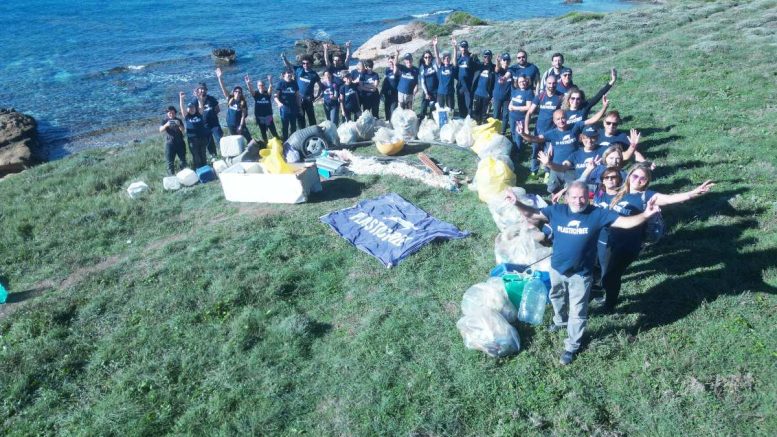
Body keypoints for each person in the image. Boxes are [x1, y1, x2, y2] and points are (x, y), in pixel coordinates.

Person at [506, 181, 661, 365]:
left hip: (581, 273)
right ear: (566, 197)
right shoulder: (557, 211)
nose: (578, 201)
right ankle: (560, 321)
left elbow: (625, 222)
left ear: (588, 197)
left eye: (582, 197)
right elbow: (532, 214)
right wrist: (517, 203)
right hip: (557, 268)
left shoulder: (598, 214)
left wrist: (646, 214)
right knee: (556, 296)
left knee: (578, 310)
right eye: (574, 197)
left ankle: (572, 346)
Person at [593, 165, 715, 312]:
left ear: (647, 181)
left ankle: (609, 305)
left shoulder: (646, 196)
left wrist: (693, 193)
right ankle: (605, 296)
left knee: (612, 275)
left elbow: (670, 199)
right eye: (635, 176)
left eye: (642, 178)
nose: (638, 180)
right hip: (608, 241)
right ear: (629, 176)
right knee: (605, 272)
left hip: (628, 246)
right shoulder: (620, 191)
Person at [522, 100, 609, 194]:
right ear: (554, 121)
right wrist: (522, 133)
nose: (561, 121)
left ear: (566, 118)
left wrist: (604, 107)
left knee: (573, 191)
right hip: (556, 168)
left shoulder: (575, 126)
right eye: (558, 119)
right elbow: (535, 139)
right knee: (552, 190)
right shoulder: (552, 133)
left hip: (571, 168)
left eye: (563, 118)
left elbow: (592, 120)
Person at [523, 75, 564, 178]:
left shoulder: (560, 97)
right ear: (545, 83)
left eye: (554, 83)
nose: (551, 85)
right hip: (538, 130)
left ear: (557, 83)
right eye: (549, 83)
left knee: (549, 153)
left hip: (552, 131)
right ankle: (534, 171)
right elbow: (529, 112)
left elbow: (563, 113)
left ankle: (547, 172)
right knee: (536, 151)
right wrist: (526, 128)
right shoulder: (540, 96)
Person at [282, 53, 321, 128]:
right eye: (303, 63)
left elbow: (320, 86)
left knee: (311, 118)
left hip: (308, 100)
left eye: (307, 63)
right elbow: (289, 65)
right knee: (300, 118)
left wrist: (317, 96)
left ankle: (315, 132)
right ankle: (303, 132)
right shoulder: (299, 69)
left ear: (310, 63)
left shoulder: (314, 74)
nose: (305, 65)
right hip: (298, 99)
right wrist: (284, 58)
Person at [215, 67, 252, 141]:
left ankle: (253, 147)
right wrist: (219, 78)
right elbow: (223, 88)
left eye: (239, 92)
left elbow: (243, 116)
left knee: (249, 138)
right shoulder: (230, 99)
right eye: (236, 91)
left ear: (241, 94)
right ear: (233, 92)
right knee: (236, 141)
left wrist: (240, 126)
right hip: (230, 124)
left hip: (239, 124)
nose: (237, 93)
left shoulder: (242, 102)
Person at [191, 82, 222, 161]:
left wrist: (212, 115)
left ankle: (224, 153)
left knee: (219, 138)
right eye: (200, 89)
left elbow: (217, 109)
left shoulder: (211, 99)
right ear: (198, 90)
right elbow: (192, 112)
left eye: (204, 89)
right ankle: (214, 156)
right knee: (209, 142)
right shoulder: (195, 101)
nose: (202, 91)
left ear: (206, 90)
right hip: (204, 125)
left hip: (214, 124)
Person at [507, 75, 534, 161]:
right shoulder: (515, 91)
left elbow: (528, 107)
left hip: (521, 118)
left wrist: (515, 108)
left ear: (527, 81)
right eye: (520, 82)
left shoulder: (529, 92)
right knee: (513, 133)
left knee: (519, 136)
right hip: (512, 116)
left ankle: (518, 154)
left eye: (523, 81)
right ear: (517, 83)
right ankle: (515, 149)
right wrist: (510, 106)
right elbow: (511, 101)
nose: (522, 83)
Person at [178, 92, 209, 168]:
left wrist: (198, 97)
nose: (191, 109)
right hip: (192, 140)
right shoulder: (187, 116)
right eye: (190, 108)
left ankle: (205, 168)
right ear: (187, 109)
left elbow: (201, 105)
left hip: (202, 138)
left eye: (193, 107)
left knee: (203, 154)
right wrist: (181, 99)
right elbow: (182, 108)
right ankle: (198, 168)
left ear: (195, 108)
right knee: (196, 156)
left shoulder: (199, 114)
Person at [245, 74, 278, 143]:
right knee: (263, 133)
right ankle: (266, 144)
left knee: (274, 132)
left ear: (264, 86)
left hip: (268, 116)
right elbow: (251, 90)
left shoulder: (267, 94)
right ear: (257, 86)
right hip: (260, 117)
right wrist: (248, 83)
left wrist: (270, 82)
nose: (261, 87)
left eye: (262, 85)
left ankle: (279, 143)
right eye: (259, 85)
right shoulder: (256, 94)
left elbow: (270, 88)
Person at [452, 37, 479, 117]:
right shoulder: (459, 58)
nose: (463, 48)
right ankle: (462, 119)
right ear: (460, 48)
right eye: (462, 47)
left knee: (469, 105)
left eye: (465, 47)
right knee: (461, 105)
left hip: (468, 86)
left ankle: (469, 119)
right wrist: (455, 48)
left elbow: (477, 68)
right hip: (460, 85)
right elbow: (454, 65)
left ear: (467, 47)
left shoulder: (472, 57)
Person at [159, 106, 187, 175]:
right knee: (170, 162)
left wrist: (179, 125)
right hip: (169, 144)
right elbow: (160, 130)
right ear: (167, 113)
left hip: (180, 143)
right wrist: (166, 125)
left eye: (173, 113)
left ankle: (184, 174)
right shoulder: (164, 120)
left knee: (183, 160)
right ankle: (171, 176)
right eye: (170, 113)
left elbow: (183, 130)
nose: (171, 114)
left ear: (175, 113)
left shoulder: (178, 120)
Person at [274, 69, 301, 140]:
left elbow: (297, 95)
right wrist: (279, 103)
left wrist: (299, 106)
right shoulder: (280, 83)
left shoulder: (294, 83)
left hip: (294, 107)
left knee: (293, 125)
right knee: (285, 126)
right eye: (288, 73)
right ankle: (285, 140)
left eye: (290, 73)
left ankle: (293, 140)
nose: (290, 74)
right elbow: (275, 97)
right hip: (284, 108)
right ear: (284, 75)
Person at [470, 50, 495, 124]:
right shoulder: (479, 65)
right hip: (477, 94)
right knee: (476, 114)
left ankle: (483, 128)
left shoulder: (493, 68)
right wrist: (471, 57)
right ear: (483, 57)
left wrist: (492, 96)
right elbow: (469, 64)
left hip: (487, 96)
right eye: (485, 57)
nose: (487, 58)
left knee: (485, 116)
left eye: (488, 56)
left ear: (491, 57)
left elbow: (495, 83)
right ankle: (477, 127)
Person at [431, 37, 457, 109]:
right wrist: (435, 45)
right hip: (441, 92)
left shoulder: (452, 67)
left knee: (450, 109)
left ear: (450, 59)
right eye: (445, 58)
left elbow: (455, 58)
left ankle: (450, 116)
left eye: (448, 58)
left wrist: (455, 47)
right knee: (440, 110)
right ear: (442, 59)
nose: (446, 59)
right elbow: (437, 56)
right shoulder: (440, 66)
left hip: (450, 92)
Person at [492, 53, 513, 134]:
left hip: (507, 98)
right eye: (504, 60)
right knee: (496, 115)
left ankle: (503, 132)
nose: (506, 61)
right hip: (497, 97)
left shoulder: (511, 71)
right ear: (501, 61)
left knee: (505, 116)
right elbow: (497, 69)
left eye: (507, 60)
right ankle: (494, 132)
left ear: (510, 61)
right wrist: (497, 61)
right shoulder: (499, 70)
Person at [418, 50, 438, 121]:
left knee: (434, 108)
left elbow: (437, 58)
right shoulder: (422, 67)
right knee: (423, 108)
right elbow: (422, 82)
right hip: (427, 91)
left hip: (436, 91)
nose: (427, 59)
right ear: (423, 58)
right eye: (426, 57)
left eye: (429, 57)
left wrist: (435, 47)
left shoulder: (434, 64)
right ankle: (421, 121)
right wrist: (426, 93)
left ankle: (433, 121)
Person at [381, 55, 399, 119]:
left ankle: (393, 123)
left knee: (393, 110)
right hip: (387, 94)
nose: (390, 63)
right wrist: (382, 91)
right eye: (389, 62)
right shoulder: (387, 70)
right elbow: (385, 81)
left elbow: (395, 71)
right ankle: (388, 122)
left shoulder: (397, 70)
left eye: (392, 62)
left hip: (394, 94)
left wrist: (397, 54)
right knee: (387, 110)